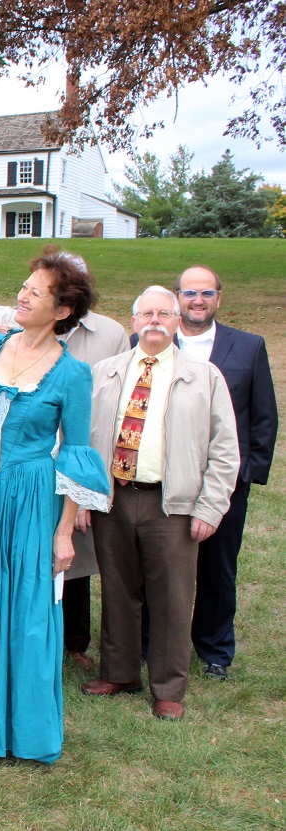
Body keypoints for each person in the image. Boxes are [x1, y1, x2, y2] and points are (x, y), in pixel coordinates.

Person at [0, 249, 109, 763]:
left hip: (29, 499)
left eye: (37, 292)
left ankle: (14, 727)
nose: (22, 295)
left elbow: (75, 455)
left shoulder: (72, 374)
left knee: (23, 608)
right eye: (23, 286)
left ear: (63, 310)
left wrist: (65, 531)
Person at [80, 286, 239, 720]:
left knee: (170, 597)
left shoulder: (204, 376)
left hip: (172, 504)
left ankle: (169, 687)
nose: (154, 320)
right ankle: (120, 671)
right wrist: (81, 499)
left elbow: (225, 448)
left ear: (176, 322)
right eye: (146, 313)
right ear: (133, 322)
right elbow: (83, 438)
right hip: (113, 498)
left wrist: (209, 507)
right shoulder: (105, 372)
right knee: (117, 589)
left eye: (163, 313)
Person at [173, 265, 277, 681]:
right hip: (166, 477)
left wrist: (249, 473)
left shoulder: (248, 347)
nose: (197, 300)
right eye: (189, 293)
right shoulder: (153, 340)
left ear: (219, 297)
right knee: (160, 565)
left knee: (218, 567)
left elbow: (264, 415)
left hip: (225, 480)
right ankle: (151, 642)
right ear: (176, 296)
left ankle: (214, 648)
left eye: (206, 293)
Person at [59, 305, 130, 672]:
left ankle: (75, 640)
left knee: (78, 551)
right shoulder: (27, 326)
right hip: (35, 455)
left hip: (81, 451)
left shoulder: (109, 331)